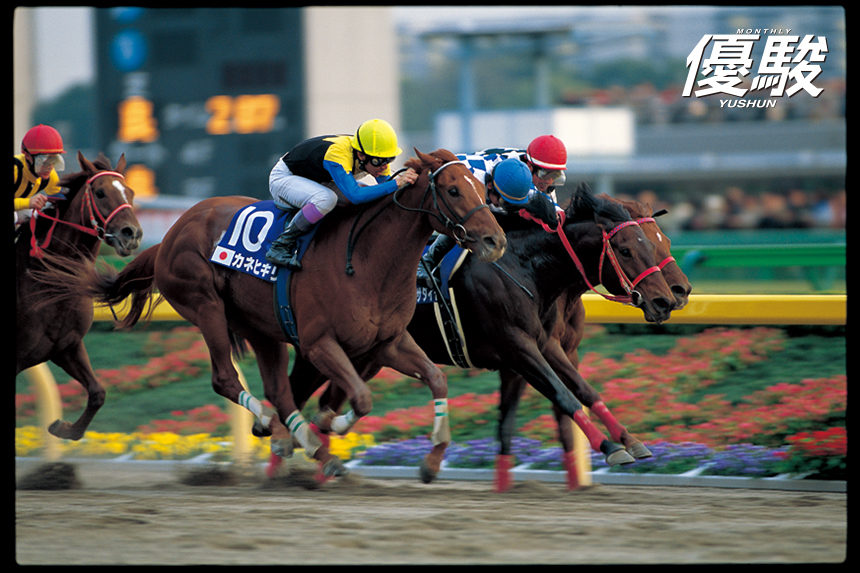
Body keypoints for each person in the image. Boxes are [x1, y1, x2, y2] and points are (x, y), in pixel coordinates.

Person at [265, 118, 418, 269]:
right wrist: (396, 183)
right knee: (326, 199)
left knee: (371, 195)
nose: (384, 166)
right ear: (361, 155)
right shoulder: (337, 154)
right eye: (378, 161)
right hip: (285, 178)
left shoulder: (372, 154)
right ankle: (281, 245)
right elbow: (356, 195)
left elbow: (387, 190)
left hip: (317, 180)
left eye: (389, 159)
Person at [416, 155, 539, 289]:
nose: (501, 205)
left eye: (509, 203)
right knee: (465, 219)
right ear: (490, 186)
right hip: (457, 178)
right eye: (502, 201)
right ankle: (427, 262)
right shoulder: (473, 177)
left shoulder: (524, 187)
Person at [13, 124, 66, 228]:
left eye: (54, 160)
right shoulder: (15, 169)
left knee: (37, 217)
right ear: (27, 156)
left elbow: (60, 199)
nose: (49, 167)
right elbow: (27, 204)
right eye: (43, 160)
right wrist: (28, 202)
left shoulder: (50, 174)